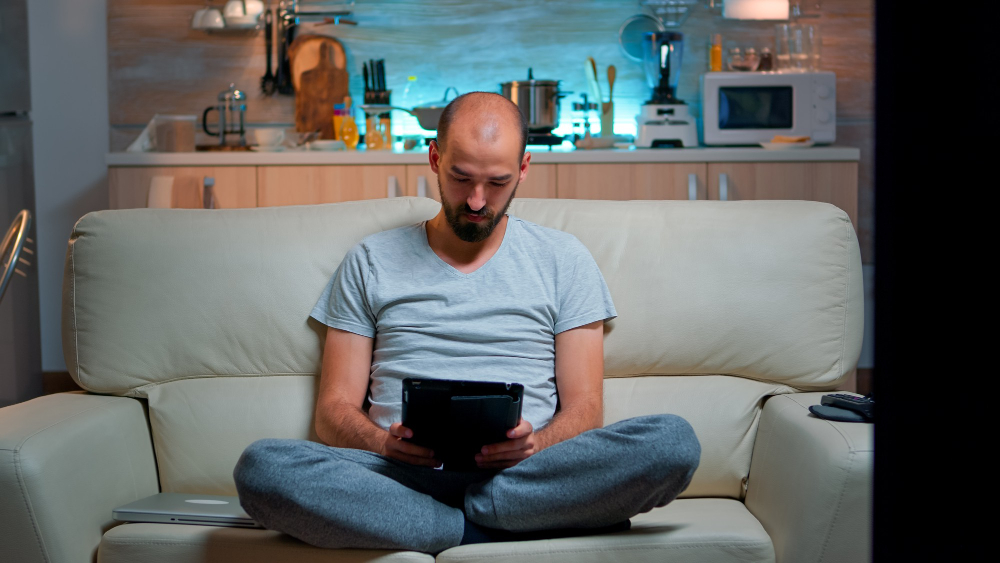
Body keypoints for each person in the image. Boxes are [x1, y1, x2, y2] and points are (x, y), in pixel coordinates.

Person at [233, 92, 700, 554]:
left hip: (524, 475)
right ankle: (479, 525)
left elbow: (585, 412)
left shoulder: (564, 259)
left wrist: (535, 443)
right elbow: (333, 412)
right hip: (398, 477)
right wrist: (382, 443)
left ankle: (455, 517)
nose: (477, 201)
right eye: (461, 179)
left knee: (673, 444)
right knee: (262, 468)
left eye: (496, 183)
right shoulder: (370, 259)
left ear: (523, 169)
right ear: (434, 158)